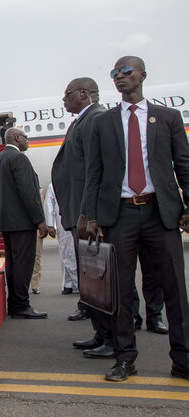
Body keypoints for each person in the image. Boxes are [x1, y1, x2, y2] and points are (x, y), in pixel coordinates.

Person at [85, 56, 189, 382]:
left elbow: (183, 165)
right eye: (114, 73)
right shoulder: (104, 122)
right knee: (120, 291)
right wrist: (90, 216)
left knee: (175, 290)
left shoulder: (167, 118)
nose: (119, 77)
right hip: (120, 215)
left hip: (161, 213)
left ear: (142, 75)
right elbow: (94, 173)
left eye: (126, 71)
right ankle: (124, 357)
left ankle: (183, 360)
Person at [50, 77, 115, 358]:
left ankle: (111, 337)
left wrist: (86, 213)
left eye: (67, 95)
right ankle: (101, 333)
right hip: (80, 211)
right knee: (92, 279)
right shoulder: (83, 120)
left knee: (100, 280)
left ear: (83, 94)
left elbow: (94, 171)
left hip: (86, 215)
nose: (63, 101)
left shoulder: (94, 120)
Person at [0, 127, 49, 319]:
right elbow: (28, 193)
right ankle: (21, 305)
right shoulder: (19, 159)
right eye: (26, 138)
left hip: (7, 222)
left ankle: (15, 304)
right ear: (17, 139)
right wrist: (40, 220)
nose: (28, 141)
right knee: (24, 264)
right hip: (22, 222)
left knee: (13, 264)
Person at [43, 183, 78, 295]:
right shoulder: (53, 185)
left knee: (76, 252)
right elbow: (49, 203)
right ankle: (68, 283)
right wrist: (50, 224)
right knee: (66, 252)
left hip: (77, 220)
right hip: (62, 223)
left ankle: (78, 283)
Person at [30, 186, 45, 294]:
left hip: (36, 225)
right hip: (22, 225)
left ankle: (35, 285)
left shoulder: (39, 190)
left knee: (36, 256)